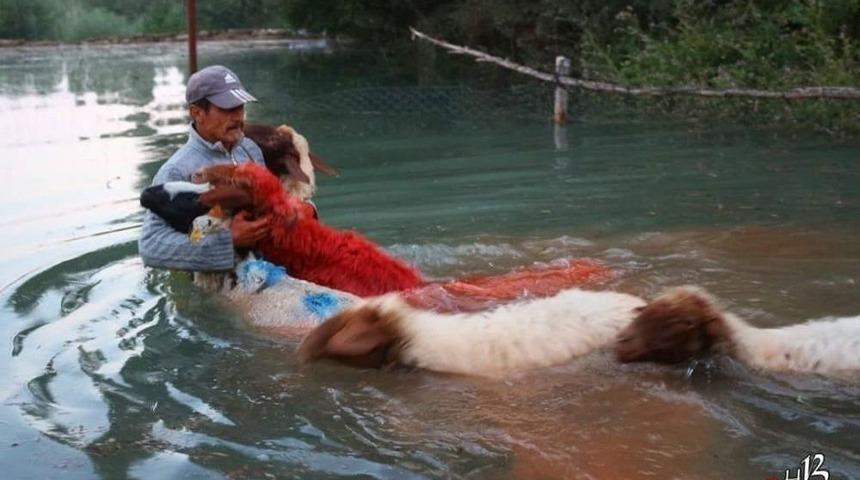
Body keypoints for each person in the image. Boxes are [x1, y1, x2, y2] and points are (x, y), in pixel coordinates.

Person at [139, 65, 270, 271]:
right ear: (197, 113)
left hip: (263, 264)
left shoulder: (250, 150)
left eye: (240, 107)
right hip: (215, 282)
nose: (238, 117)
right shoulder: (177, 170)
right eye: (227, 109)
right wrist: (230, 240)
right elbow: (151, 246)